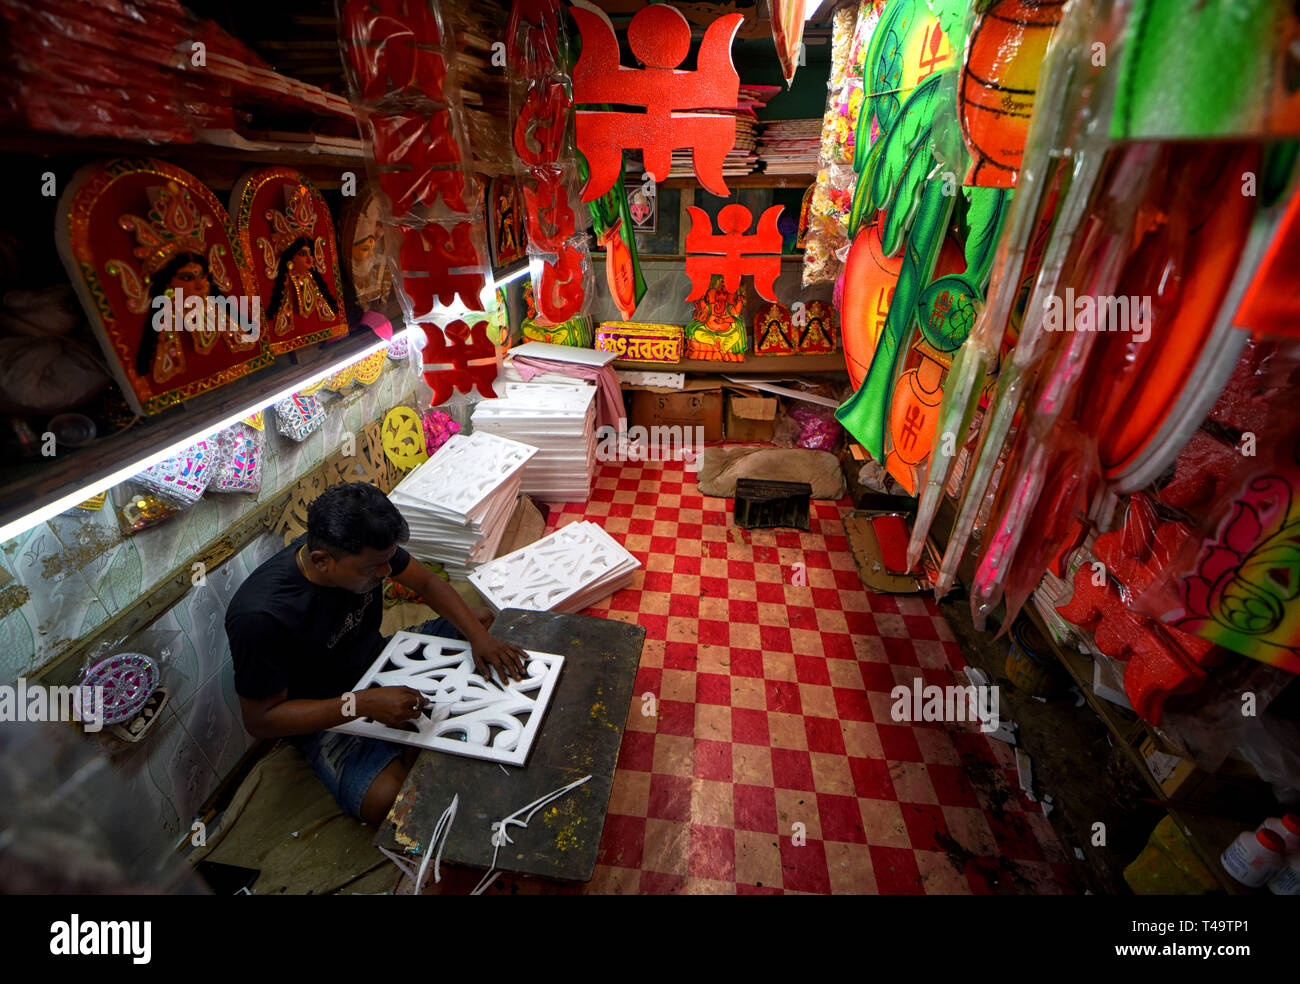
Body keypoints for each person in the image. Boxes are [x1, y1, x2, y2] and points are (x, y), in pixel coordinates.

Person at [224, 482, 529, 825]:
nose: (386, 574)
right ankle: (406, 744)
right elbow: (261, 720)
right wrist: (363, 704)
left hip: (383, 658)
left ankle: (412, 737)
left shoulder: (369, 549)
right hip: (328, 709)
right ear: (322, 562)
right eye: (373, 570)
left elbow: (427, 583)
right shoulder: (262, 616)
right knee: (387, 801)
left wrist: (477, 637)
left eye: (388, 563)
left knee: (481, 620)